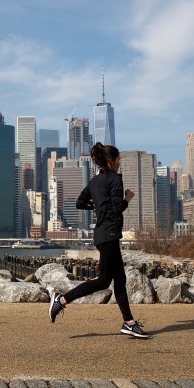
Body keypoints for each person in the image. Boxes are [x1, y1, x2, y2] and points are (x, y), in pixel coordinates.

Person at [48, 142, 149, 338]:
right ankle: (61, 300)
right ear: (110, 161)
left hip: (102, 235)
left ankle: (129, 323)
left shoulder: (94, 182)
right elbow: (117, 208)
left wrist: (96, 206)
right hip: (110, 234)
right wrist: (128, 198)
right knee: (104, 281)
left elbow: (79, 203)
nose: (119, 164)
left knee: (120, 280)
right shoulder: (115, 180)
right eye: (118, 160)